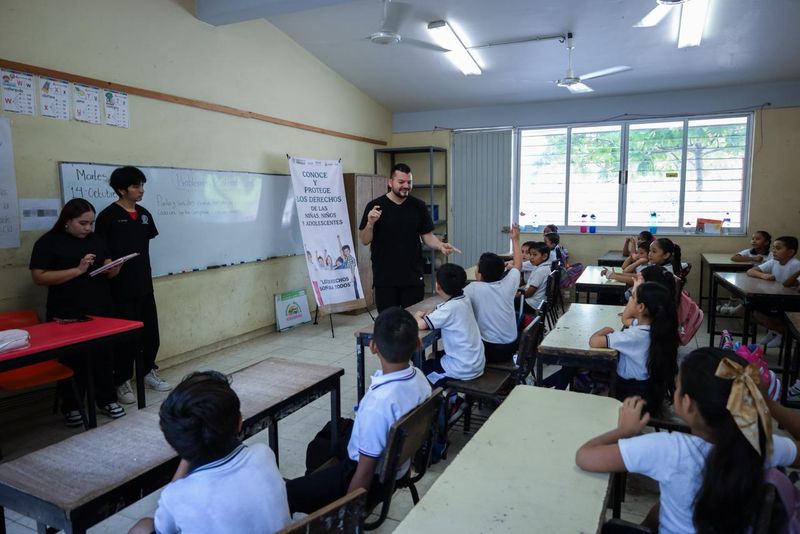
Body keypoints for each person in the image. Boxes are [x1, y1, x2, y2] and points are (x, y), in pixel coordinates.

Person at [576, 348, 800, 533]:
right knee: (660, 508)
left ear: (688, 404)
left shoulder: (669, 449)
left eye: (678, 385)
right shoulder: (761, 445)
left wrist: (624, 430)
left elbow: (585, 457)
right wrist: (769, 405)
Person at [285, 307, 431, 513]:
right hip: (398, 464)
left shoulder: (378, 405)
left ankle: (324, 501)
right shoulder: (419, 378)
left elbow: (364, 472)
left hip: (371, 478)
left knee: (289, 492)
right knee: (327, 437)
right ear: (418, 344)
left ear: (372, 347)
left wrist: (350, 518)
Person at [128, 371, 290, 534]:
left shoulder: (177, 495)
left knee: (141, 527)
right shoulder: (263, 454)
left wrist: (188, 452)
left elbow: (162, 527)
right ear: (239, 422)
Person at [29, 198, 125, 425]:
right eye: (83, 223)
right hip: (66, 311)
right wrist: (78, 270)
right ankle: (72, 406)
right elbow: (39, 277)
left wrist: (113, 269)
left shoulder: (96, 239)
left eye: (90, 223)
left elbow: (108, 264)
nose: (88, 228)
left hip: (100, 307)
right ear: (67, 221)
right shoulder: (48, 242)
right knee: (72, 360)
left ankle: (107, 400)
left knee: (103, 356)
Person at [95, 166, 171, 407]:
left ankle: (148, 371)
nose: (141, 190)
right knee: (126, 337)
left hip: (144, 283)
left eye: (142, 185)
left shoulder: (144, 214)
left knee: (150, 333)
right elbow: (102, 249)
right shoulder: (108, 216)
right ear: (121, 189)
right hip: (120, 286)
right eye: (136, 186)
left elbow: (144, 242)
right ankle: (122, 380)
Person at [358, 163, 459, 312]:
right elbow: (365, 240)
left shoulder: (418, 206)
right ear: (390, 182)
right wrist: (370, 223)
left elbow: (427, 236)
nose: (406, 186)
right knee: (389, 322)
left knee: (413, 321)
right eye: (401, 182)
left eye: (409, 182)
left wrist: (440, 245)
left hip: (412, 277)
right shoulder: (376, 206)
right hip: (385, 278)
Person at [589, 282, 678, 417]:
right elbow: (626, 320)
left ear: (641, 307)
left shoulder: (633, 336)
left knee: (590, 374)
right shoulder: (658, 327)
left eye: (632, 297)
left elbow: (594, 341)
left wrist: (606, 330)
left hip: (630, 393)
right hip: (650, 390)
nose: (629, 299)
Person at [415, 264, 485, 387]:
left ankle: (450, 400)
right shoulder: (464, 299)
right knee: (432, 355)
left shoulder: (449, 309)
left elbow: (421, 325)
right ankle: (448, 393)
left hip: (463, 368)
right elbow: (441, 309)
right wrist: (431, 312)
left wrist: (417, 315)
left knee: (421, 370)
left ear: (438, 286)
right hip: (476, 362)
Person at [464, 225, 522, 363]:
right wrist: (515, 240)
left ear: (479, 273)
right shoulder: (508, 283)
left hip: (491, 349)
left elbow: (453, 299)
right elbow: (518, 264)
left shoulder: (473, 288)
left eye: (477, 267)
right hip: (512, 346)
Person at [746, 235, 800, 348]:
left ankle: (784, 333)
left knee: (754, 311)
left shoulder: (795, 264)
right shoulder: (774, 261)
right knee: (747, 307)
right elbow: (751, 271)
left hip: (791, 302)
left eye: (778, 248)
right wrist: (764, 275)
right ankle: (775, 331)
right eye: (774, 248)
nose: (774, 251)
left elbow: (793, 285)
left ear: (790, 252)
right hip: (777, 298)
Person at [518, 241, 551, 314]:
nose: (531, 257)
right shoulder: (542, 267)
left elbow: (530, 293)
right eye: (530, 254)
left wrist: (519, 296)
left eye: (535, 255)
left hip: (531, 304)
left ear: (544, 256)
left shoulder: (540, 271)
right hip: (537, 302)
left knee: (507, 302)